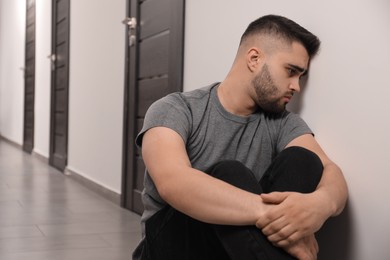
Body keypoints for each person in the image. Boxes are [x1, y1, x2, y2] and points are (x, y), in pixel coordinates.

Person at [132, 14, 348, 260]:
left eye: (301, 77)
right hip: (170, 247)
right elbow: (174, 182)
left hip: (239, 248)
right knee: (230, 174)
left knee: (303, 159)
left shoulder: (283, 123)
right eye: (291, 71)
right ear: (254, 59)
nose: (296, 86)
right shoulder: (176, 108)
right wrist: (282, 217)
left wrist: (319, 205)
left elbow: (331, 171)